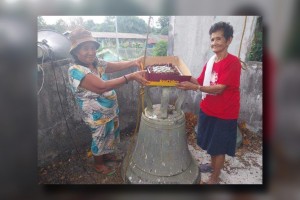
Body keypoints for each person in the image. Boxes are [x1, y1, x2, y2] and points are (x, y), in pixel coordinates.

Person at [68, 27, 149, 175]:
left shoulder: (96, 62)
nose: (91, 52)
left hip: (109, 111)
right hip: (96, 115)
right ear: (75, 51)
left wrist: (133, 62)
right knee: (99, 138)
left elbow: (112, 66)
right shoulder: (76, 70)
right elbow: (101, 87)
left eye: (92, 48)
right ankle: (98, 164)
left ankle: (107, 154)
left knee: (110, 134)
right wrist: (131, 76)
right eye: (85, 48)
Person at [176, 22, 241, 184]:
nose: (214, 43)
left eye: (219, 39)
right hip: (208, 109)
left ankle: (215, 178)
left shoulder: (233, 62)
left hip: (224, 113)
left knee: (218, 147)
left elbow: (219, 89)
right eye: (212, 40)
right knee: (211, 144)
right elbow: (199, 80)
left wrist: (195, 87)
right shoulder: (212, 61)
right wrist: (182, 74)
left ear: (229, 40)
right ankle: (213, 165)